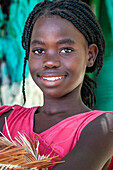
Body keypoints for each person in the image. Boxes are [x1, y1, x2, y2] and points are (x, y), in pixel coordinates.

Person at [0, 0, 113, 169]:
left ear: (90, 55)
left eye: (65, 50)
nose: (50, 62)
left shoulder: (103, 127)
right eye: (39, 51)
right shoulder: (6, 120)